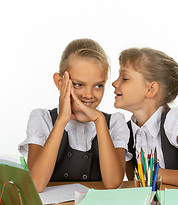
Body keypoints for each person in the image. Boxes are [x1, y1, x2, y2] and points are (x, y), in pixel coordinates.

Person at [19, 39, 129, 192]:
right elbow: (36, 184)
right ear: (60, 82)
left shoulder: (114, 123)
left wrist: (99, 120)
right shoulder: (42, 119)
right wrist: (61, 121)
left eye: (98, 85)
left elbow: (112, 183)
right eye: (78, 84)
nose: (88, 94)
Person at [112, 47, 178, 189]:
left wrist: (154, 174)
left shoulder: (174, 122)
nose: (114, 83)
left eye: (124, 78)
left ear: (151, 89)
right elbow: (138, 185)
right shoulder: (126, 131)